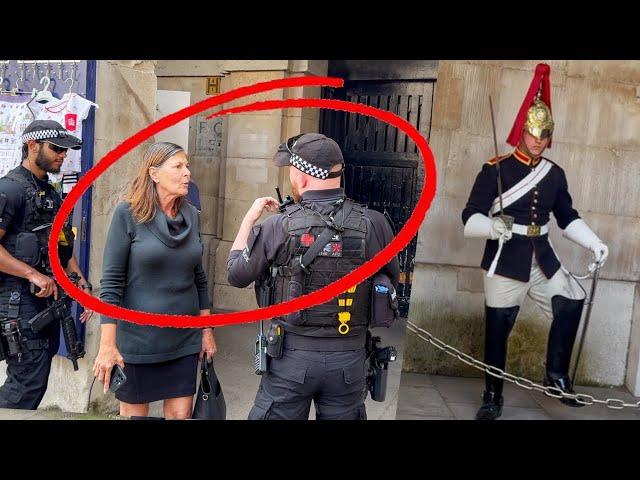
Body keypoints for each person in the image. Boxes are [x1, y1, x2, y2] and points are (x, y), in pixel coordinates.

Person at [461, 63, 610, 420]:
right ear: (522, 131)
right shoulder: (494, 169)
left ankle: (555, 377)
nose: (538, 139)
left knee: (573, 299)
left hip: (542, 256)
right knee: (498, 328)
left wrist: (594, 242)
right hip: (505, 257)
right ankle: (492, 395)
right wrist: (490, 226)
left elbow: (567, 217)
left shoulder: (555, 174)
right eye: (533, 132)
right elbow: (469, 217)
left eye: (544, 133)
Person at [227, 133, 400, 420]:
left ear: (301, 177)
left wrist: (249, 219)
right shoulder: (375, 224)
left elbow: (236, 274)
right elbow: (391, 278)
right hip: (350, 360)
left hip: (291, 361)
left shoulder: (278, 225)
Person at [93, 142, 216, 419]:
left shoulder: (192, 217)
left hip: (184, 338)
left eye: (187, 166)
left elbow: (200, 279)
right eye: (178, 166)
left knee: (181, 416)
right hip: (137, 343)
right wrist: (107, 345)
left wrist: (206, 331)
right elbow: (111, 284)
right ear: (154, 173)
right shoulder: (127, 214)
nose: (187, 173)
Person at [0, 120, 93, 410]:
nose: (63, 155)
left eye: (65, 150)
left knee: (35, 375)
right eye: (56, 148)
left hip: (46, 305)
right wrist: (33, 274)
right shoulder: (10, 189)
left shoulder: (50, 195)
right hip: (18, 303)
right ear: (32, 146)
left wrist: (82, 287)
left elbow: (63, 251)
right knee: (25, 382)